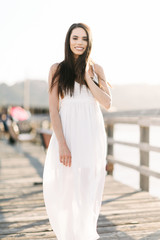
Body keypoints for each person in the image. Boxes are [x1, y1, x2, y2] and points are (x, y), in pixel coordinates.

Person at [43, 23, 112, 240]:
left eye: (84, 39)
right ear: (68, 40)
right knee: (65, 186)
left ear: (89, 42)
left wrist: (88, 77)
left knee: (87, 185)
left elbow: (107, 103)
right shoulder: (57, 69)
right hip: (69, 133)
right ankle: (68, 234)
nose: (79, 43)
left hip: (91, 134)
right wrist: (62, 143)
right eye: (75, 38)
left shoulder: (97, 69)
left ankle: (85, 233)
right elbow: (54, 110)